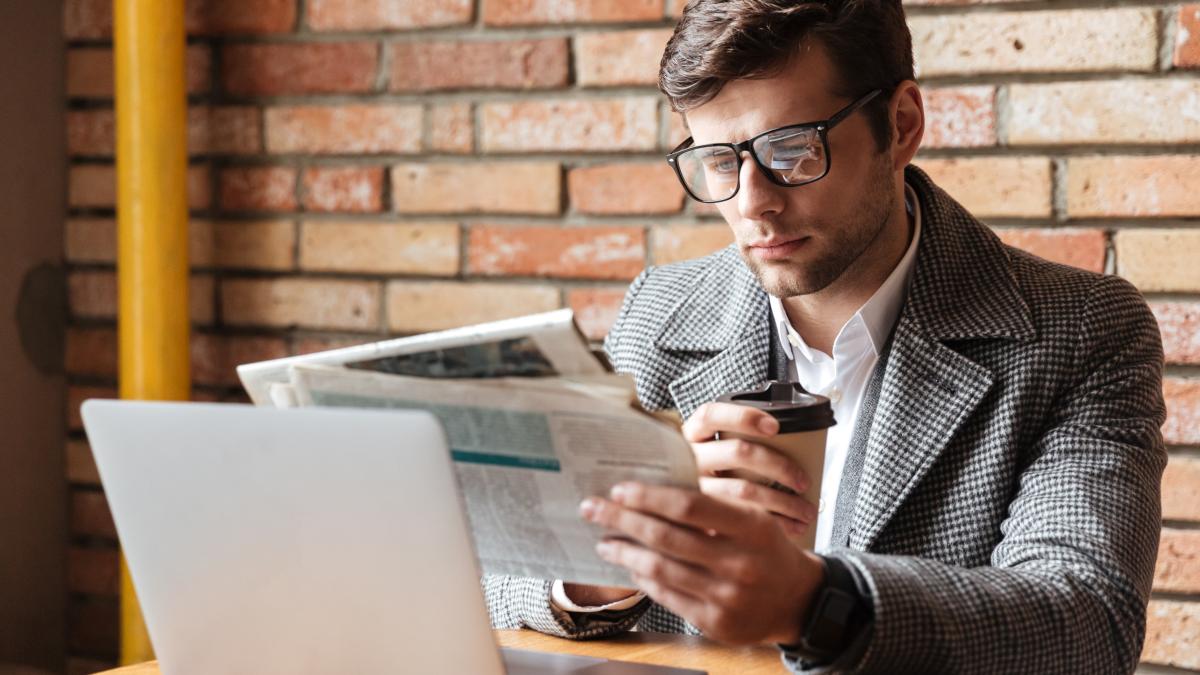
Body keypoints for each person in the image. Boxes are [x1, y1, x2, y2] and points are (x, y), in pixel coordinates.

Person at [484, 1, 1167, 672]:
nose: (753, 202)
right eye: (720, 160)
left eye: (791, 149)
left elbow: (1085, 621)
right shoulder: (659, 312)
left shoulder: (1082, 330)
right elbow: (487, 566)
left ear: (900, 125)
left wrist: (813, 604)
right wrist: (602, 572)